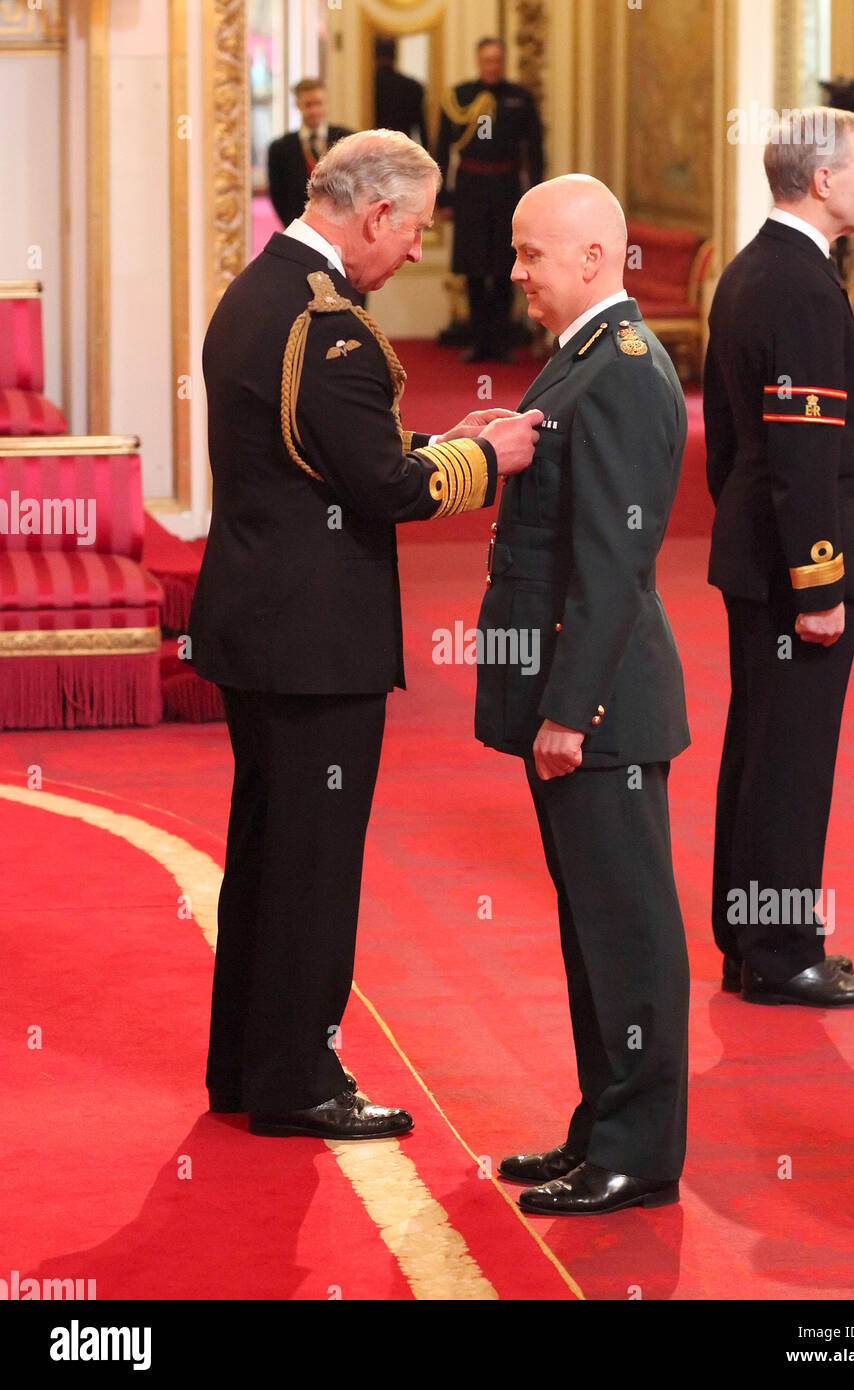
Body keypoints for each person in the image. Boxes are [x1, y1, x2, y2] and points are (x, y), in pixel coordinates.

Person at [189, 130, 542, 1141]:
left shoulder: (260, 290)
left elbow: (334, 454)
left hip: (257, 622)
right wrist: (487, 461)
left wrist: (442, 441)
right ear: (376, 214)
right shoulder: (328, 325)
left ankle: (247, 1064)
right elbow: (380, 485)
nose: (418, 251)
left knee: (264, 853)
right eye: (416, 229)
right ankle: (299, 1080)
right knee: (310, 863)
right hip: (313, 639)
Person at [475, 175, 691, 1215]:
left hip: (602, 707)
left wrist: (568, 709)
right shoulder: (579, 361)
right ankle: (600, 1123)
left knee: (628, 930)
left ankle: (638, 1151)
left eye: (531, 253)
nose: (514, 272)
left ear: (594, 259)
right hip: (583, 697)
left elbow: (611, 563)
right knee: (590, 927)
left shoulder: (621, 370)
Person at [704, 107, 854, 1007]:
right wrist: (819, 581)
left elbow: (728, 447)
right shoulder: (803, 286)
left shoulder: (752, 269)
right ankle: (781, 952)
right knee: (790, 760)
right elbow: (801, 454)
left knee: (759, 745)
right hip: (797, 572)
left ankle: (749, 941)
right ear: (820, 180)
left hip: (757, 555)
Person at [434, 37, 544, 362]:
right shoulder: (460, 97)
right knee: (473, 268)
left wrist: (536, 194)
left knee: (505, 265)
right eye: (487, 60)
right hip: (470, 188)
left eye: (497, 60)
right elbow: (443, 148)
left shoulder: (520, 98)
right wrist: (444, 197)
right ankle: (478, 340)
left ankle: (501, 341)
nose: (492, 66)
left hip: (507, 188)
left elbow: (534, 149)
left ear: (503, 62)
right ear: (478, 61)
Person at [266, 78, 354, 228]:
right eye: (308, 105)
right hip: (299, 225)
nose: (314, 110)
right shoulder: (280, 148)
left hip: (341, 223)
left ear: (326, 104)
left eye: (318, 103)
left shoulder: (347, 139)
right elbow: (278, 195)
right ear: (298, 105)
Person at [374, 36, 428, 147]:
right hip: (403, 145)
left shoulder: (367, 87)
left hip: (374, 146)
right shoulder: (413, 86)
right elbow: (421, 128)